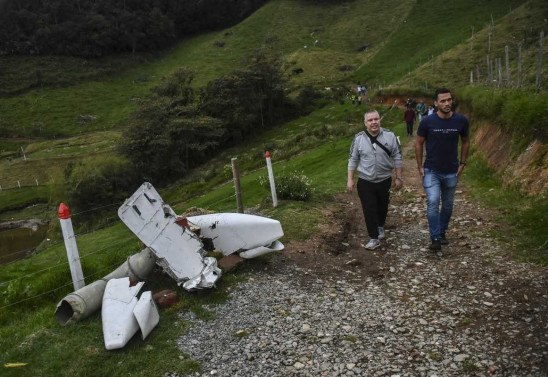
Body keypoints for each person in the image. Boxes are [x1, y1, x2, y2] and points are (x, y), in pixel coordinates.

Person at [415, 88, 470, 251]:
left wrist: (462, 163)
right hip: (431, 169)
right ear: (436, 103)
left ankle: (442, 231)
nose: (447, 103)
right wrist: (419, 166)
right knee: (432, 201)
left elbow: (466, 141)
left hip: (451, 170)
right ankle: (435, 237)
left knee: (447, 205)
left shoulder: (461, 121)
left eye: (449, 100)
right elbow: (419, 142)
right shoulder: (427, 122)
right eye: (443, 101)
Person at [348, 110, 403, 250]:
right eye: (370, 120)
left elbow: (397, 156)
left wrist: (398, 177)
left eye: (376, 119)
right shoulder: (358, 138)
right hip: (365, 180)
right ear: (365, 123)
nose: (374, 122)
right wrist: (350, 179)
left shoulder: (390, 136)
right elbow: (353, 159)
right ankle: (373, 237)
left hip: (384, 179)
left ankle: (380, 226)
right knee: (369, 208)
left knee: (382, 205)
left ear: (380, 120)